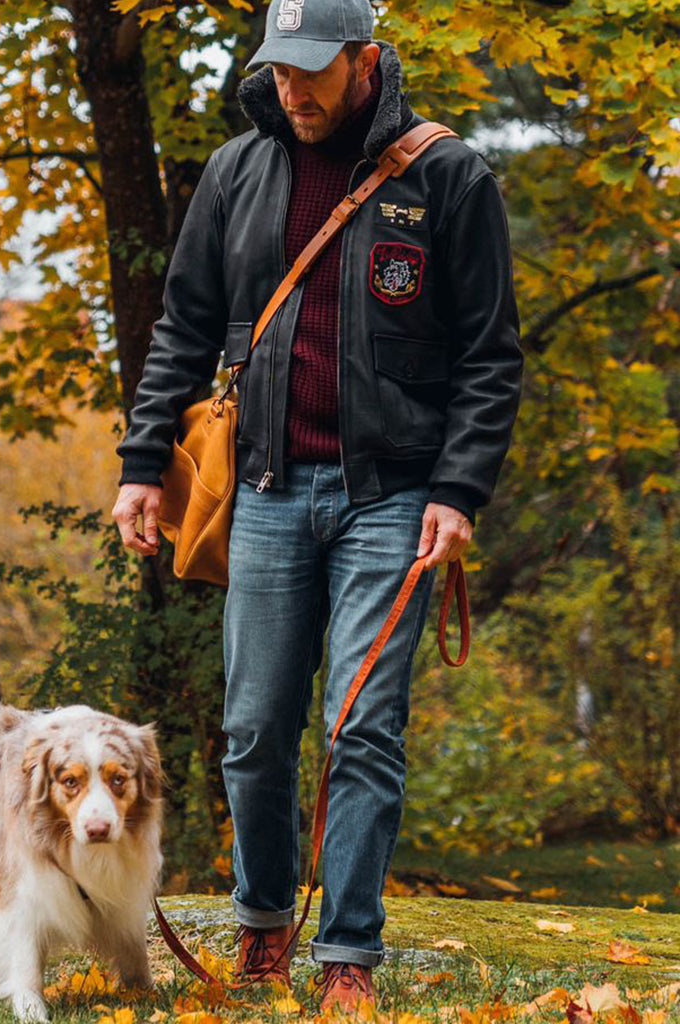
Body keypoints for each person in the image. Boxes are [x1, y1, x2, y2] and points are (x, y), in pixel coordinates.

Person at [112, 0, 523, 1013]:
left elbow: (489, 358)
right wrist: (137, 462)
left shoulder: (447, 175)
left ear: (363, 57)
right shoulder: (236, 173)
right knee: (253, 730)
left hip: (392, 499)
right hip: (261, 490)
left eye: (312, 69)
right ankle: (262, 932)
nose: (293, 89)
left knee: (363, 730)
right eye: (279, 70)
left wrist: (458, 491)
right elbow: (184, 327)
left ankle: (346, 954)